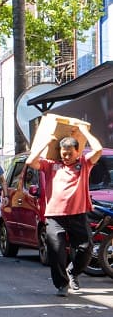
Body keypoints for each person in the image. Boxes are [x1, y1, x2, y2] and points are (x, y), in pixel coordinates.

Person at [27, 124, 105, 296]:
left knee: (86, 248)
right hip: (54, 216)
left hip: (78, 214)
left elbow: (98, 149)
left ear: (78, 152)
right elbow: (30, 161)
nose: (67, 156)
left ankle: (73, 272)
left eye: (70, 153)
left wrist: (84, 132)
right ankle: (62, 284)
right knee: (56, 252)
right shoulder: (51, 165)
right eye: (64, 153)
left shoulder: (84, 164)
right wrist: (46, 142)